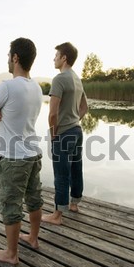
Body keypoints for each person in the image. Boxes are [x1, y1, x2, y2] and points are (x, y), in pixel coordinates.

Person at [0, 38, 44, 265]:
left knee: (11, 204)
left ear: (15, 57)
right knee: (34, 198)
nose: (8, 59)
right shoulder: (37, 87)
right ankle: (33, 239)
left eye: (9, 55)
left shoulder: (6, 86)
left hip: (13, 158)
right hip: (33, 153)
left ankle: (11, 254)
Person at [42, 42, 88, 225]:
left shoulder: (59, 79)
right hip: (77, 131)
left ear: (64, 58)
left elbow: (52, 113)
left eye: (56, 55)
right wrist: (75, 120)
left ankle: (57, 215)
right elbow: (85, 107)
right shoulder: (77, 78)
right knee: (76, 169)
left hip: (63, 133)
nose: (54, 59)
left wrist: (54, 134)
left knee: (61, 174)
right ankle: (74, 204)